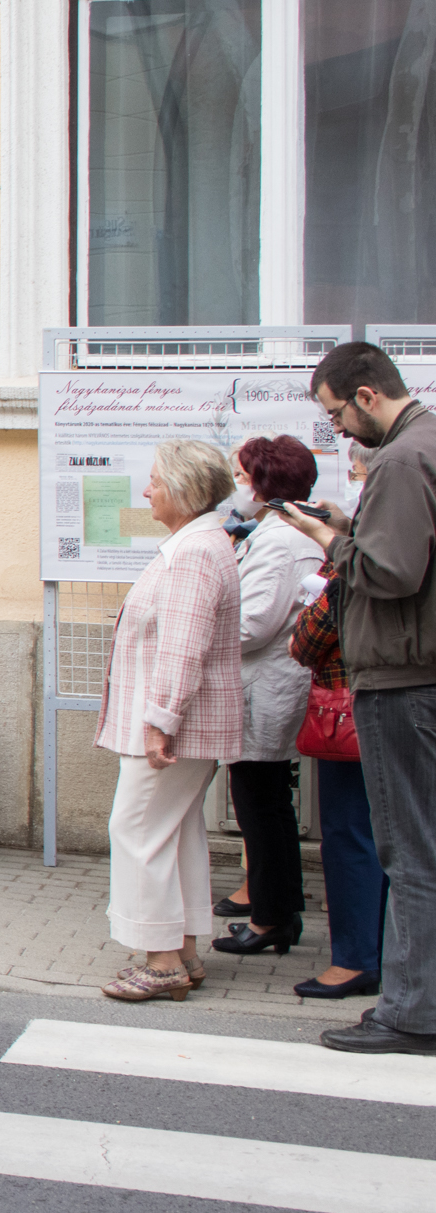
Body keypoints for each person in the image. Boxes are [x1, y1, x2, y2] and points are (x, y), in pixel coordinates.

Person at [280, 343, 436, 1053]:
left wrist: (329, 540)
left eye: (337, 414)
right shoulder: (424, 445)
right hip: (417, 670)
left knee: (409, 852)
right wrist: (350, 526)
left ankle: (411, 1013)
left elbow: (393, 573)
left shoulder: (401, 459)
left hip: (403, 679)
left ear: (368, 395)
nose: (338, 428)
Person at [93, 439, 243, 1002]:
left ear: (184, 487)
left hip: (173, 726)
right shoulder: (200, 544)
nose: (146, 490)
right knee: (174, 833)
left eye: (155, 480)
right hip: (182, 723)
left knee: (136, 831)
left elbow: (183, 646)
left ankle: (160, 961)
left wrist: (162, 720)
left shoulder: (195, 551)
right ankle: (182, 951)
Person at [210, 435, 325, 959]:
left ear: (263, 483)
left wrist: (202, 634)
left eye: (241, 476)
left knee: (261, 805)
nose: (236, 486)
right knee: (267, 803)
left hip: (266, 686)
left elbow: (253, 624)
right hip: (267, 684)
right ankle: (276, 911)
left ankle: (271, 917)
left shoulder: (281, 542)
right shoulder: (279, 534)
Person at [288, 566, 388, 998]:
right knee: (404, 840)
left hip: (357, 709)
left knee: (350, 835)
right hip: (411, 703)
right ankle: (392, 957)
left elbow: (307, 642)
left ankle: (355, 959)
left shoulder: (355, 558)